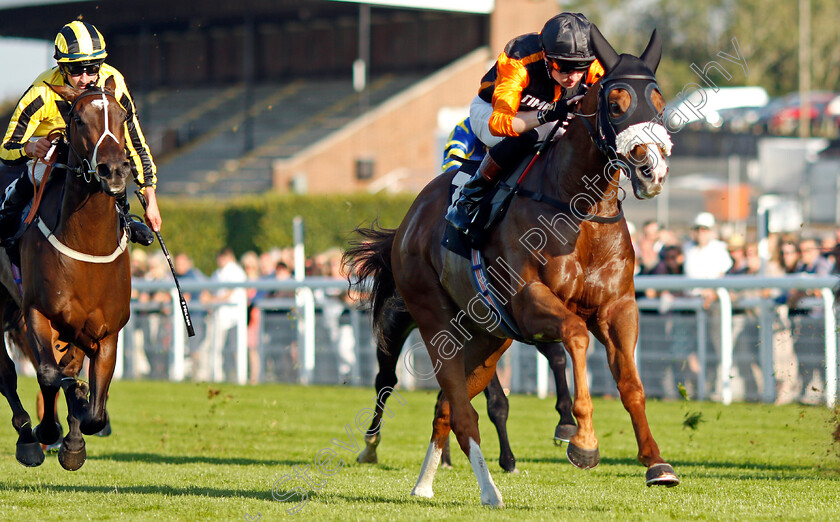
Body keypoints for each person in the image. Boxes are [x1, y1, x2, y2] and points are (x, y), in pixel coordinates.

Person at [0, 20, 159, 246]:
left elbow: (136, 145)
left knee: (114, 163)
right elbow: (7, 147)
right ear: (62, 67)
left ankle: (125, 217)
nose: (85, 78)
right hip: (52, 150)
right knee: (36, 173)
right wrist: (31, 147)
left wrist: (150, 199)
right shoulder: (40, 92)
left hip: (92, 151)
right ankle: (6, 218)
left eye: (92, 68)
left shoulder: (115, 83)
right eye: (76, 70)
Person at [445, 12, 604, 235]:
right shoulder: (520, 58)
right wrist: (547, 113)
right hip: (490, 112)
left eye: (581, 67)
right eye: (564, 67)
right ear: (547, 57)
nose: (574, 76)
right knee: (525, 137)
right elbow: (501, 123)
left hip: (544, 114)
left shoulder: (592, 63)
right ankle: (468, 198)